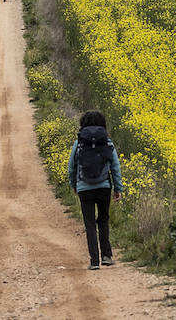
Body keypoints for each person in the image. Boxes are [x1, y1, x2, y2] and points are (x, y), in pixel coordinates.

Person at [67, 111, 123, 270]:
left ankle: (94, 261)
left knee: (90, 224)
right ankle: (107, 256)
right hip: (104, 187)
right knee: (103, 221)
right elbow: (115, 167)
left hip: (84, 188)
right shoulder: (107, 142)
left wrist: (74, 185)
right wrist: (118, 188)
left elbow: (71, 167)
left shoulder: (79, 143)